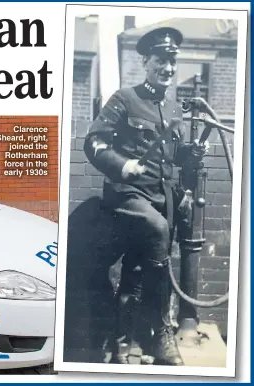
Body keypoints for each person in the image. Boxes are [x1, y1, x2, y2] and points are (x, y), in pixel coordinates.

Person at [83, 27, 208, 366]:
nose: (167, 68)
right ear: (146, 62)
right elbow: (93, 143)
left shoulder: (173, 105)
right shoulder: (125, 98)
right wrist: (123, 167)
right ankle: (164, 333)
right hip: (127, 197)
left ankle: (123, 345)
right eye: (160, 61)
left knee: (137, 267)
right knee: (156, 230)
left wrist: (192, 154)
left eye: (172, 62)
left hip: (159, 199)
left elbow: (175, 158)